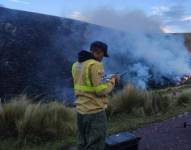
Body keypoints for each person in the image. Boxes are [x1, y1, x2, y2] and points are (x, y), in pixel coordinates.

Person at [72, 41, 120, 150]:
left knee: (82, 142)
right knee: (95, 144)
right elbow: (101, 90)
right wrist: (113, 81)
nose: (103, 58)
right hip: (94, 112)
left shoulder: (76, 65)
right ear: (100, 52)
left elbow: (88, 81)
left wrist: (108, 77)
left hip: (81, 111)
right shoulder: (95, 64)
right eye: (103, 55)